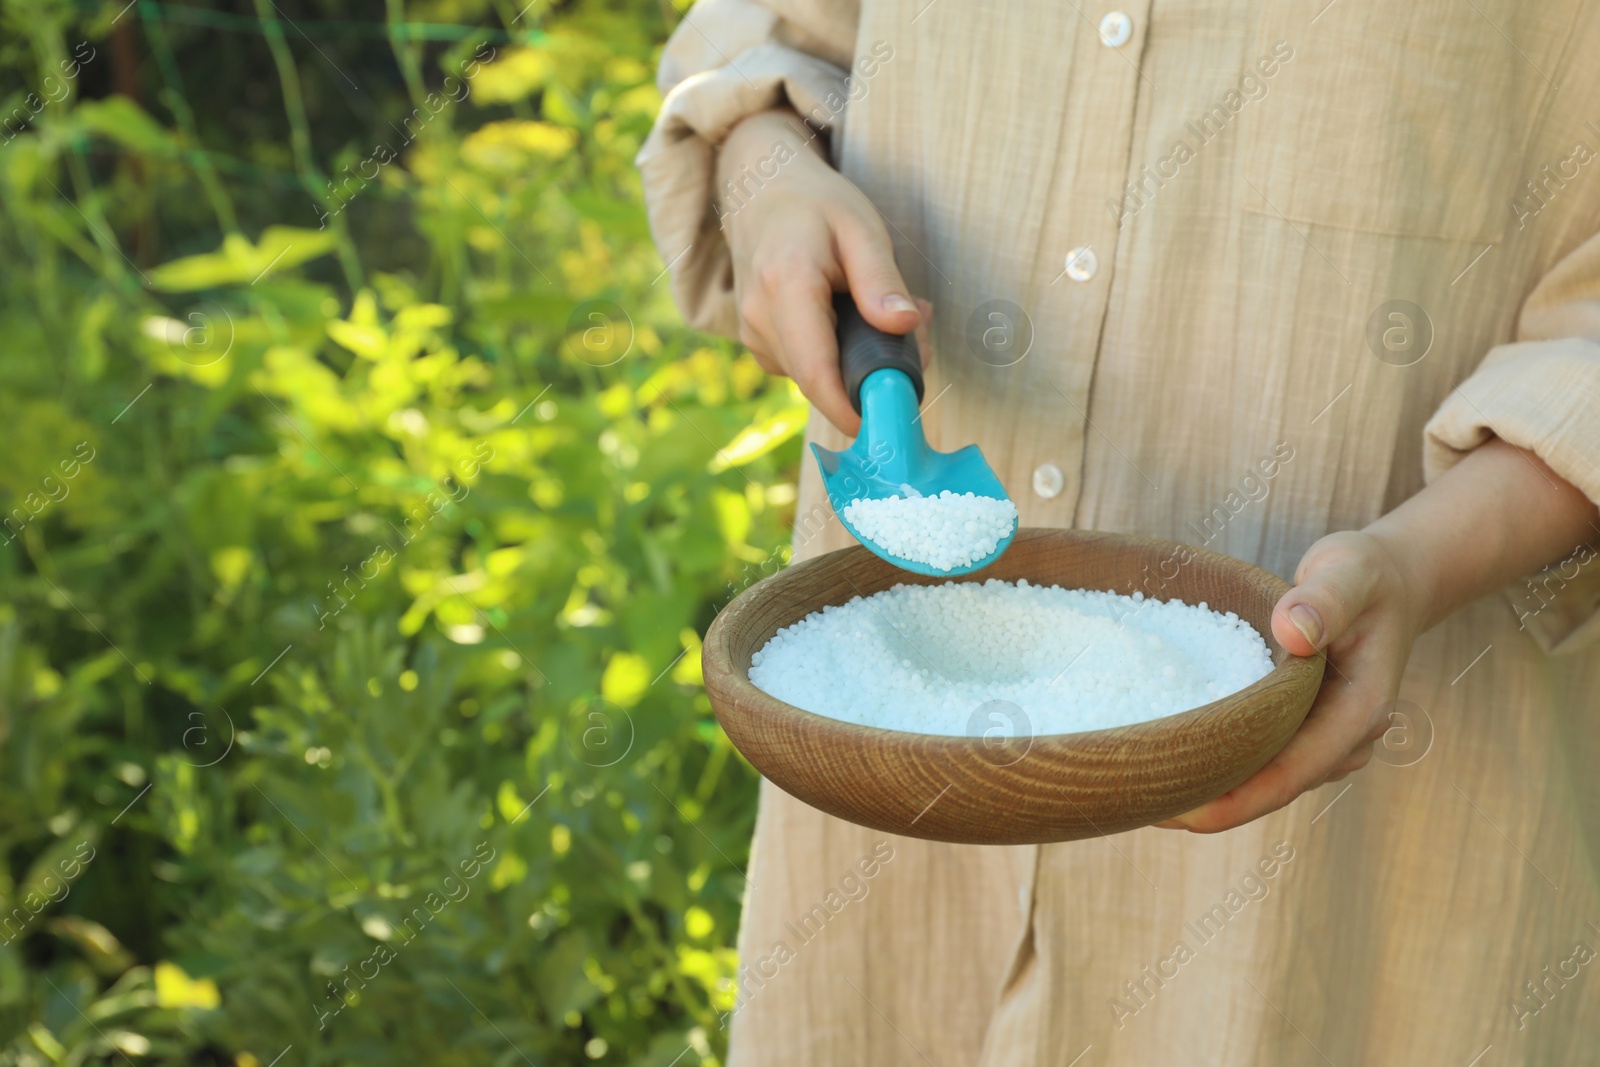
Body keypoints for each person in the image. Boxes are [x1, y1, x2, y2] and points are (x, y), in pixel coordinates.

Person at [637, 1, 1600, 1062]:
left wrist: (1420, 562)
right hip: (888, 803)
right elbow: (761, 48)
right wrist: (771, 184)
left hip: (1363, 837)